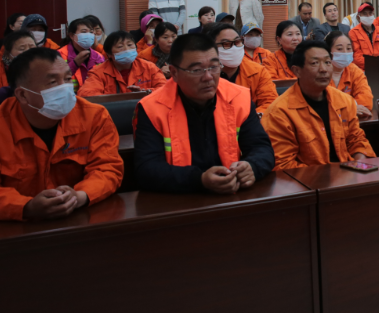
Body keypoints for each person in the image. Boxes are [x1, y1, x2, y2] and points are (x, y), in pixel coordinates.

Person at [0, 47, 123, 220]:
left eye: (68, 79)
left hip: (78, 218)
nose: (65, 88)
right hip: (15, 227)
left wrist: (79, 196)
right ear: (23, 95)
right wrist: (26, 206)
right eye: (52, 82)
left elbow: (107, 168)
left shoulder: (94, 116)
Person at [133, 34, 274, 194]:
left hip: (234, 193)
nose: (208, 77)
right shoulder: (152, 108)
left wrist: (252, 167)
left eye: (214, 67)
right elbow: (147, 169)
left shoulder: (237, 97)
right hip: (179, 199)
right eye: (196, 70)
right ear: (174, 73)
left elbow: (262, 148)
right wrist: (199, 180)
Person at [262, 41, 375, 170]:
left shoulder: (344, 101)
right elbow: (283, 165)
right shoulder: (279, 112)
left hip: (347, 174)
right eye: (314, 63)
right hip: (309, 179)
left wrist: (360, 165)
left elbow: (357, 141)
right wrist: (331, 176)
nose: (323, 69)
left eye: (327, 62)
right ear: (297, 71)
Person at [206, 23, 278, 115]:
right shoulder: (203, 74)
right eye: (226, 44)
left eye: (237, 42)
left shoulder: (258, 71)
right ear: (211, 47)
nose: (234, 48)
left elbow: (270, 102)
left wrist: (252, 118)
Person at [79, 32, 168, 97]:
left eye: (130, 45)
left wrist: (143, 92)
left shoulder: (149, 67)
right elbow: (86, 94)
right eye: (120, 47)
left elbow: (165, 89)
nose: (126, 49)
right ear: (109, 54)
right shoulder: (98, 73)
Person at [324, 32, 374, 118]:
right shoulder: (320, 72)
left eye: (348, 48)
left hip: (351, 121)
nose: (345, 52)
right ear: (328, 51)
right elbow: (321, 105)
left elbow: (366, 101)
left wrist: (342, 109)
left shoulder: (354, 70)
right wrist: (351, 108)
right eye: (339, 49)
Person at [0, 31, 36, 103]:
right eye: (22, 49)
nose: (28, 51)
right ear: (8, 53)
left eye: (32, 48)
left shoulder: (45, 69)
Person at [58, 18, 106, 92]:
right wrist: (75, 63)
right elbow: (57, 79)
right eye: (84, 32)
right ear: (72, 35)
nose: (89, 35)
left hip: (94, 97)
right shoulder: (60, 55)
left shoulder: (99, 56)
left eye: (91, 32)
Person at [348, 2, 379, 69]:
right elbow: (356, 55)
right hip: (362, 69)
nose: (368, 16)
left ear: (373, 14)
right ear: (359, 16)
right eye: (364, 14)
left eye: (370, 13)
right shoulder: (353, 33)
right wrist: (372, 65)